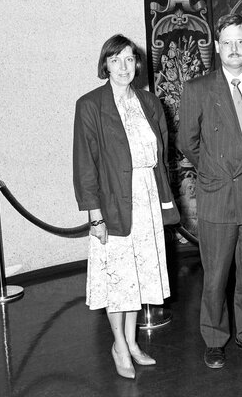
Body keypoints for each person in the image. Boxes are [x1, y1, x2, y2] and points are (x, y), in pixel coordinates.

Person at [73, 34, 179, 379]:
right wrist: (94, 216)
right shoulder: (90, 105)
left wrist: (164, 202)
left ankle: (133, 343)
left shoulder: (149, 102)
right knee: (118, 281)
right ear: (105, 64)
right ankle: (119, 344)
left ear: (137, 64)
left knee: (138, 279)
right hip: (113, 202)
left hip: (146, 199)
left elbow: (161, 157)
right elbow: (84, 164)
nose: (123, 67)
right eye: (116, 60)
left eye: (130, 59)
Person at [178, 13, 242, 370]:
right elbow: (187, 142)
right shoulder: (198, 89)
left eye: (241, 42)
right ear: (217, 47)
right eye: (228, 42)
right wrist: (215, 170)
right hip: (217, 194)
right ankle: (215, 338)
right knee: (216, 274)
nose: (235, 49)